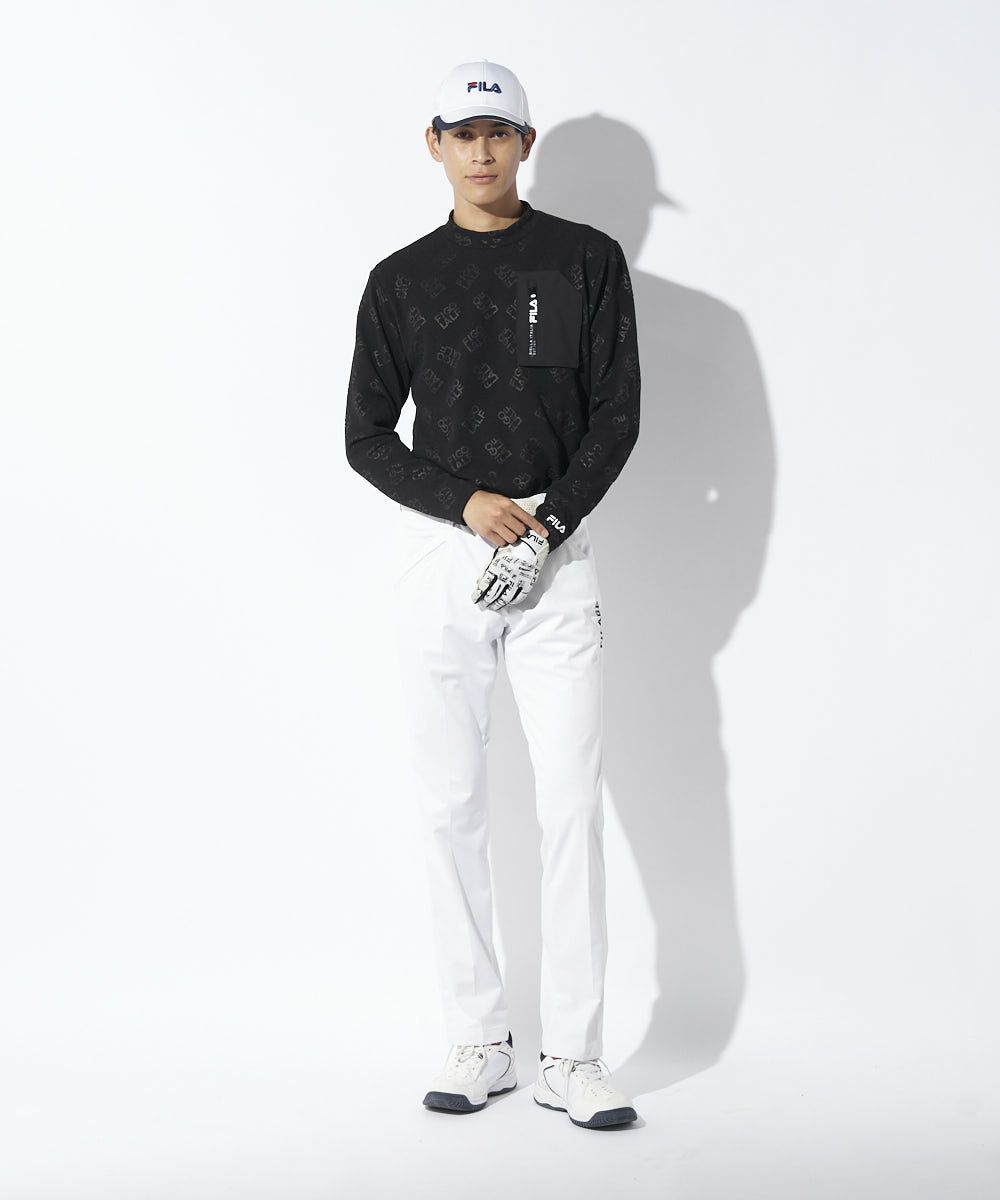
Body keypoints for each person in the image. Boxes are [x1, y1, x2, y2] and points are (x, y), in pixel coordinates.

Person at [345, 58, 641, 1129]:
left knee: (569, 802)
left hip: (556, 557)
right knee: (451, 804)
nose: (481, 151)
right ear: (434, 143)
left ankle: (573, 1056)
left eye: (499, 133)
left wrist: (546, 527)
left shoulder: (584, 260)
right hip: (441, 554)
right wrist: (466, 503)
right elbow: (365, 436)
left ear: (525, 142)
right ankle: (480, 1040)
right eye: (463, 134)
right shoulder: (400, 279)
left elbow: (617, 415)